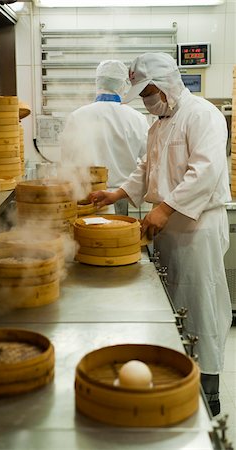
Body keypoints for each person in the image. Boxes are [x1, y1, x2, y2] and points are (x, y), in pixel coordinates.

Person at [89, 52, 232, 416]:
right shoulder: (158, 124)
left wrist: (166, 208)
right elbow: (146, 168)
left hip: (197, 226)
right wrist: (117, 193)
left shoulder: (202, 115)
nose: (145, 100)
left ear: (167, 82)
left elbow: (206, 171)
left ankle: (208, 390)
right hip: (168, 227)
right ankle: (180, 370)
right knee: (178, 306)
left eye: (148, 91)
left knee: (201, 304)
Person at [59, 59, 149, 215]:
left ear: (97, 83)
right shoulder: (137, 119)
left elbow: (67, 162)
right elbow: (151, 159)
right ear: (123, 85)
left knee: (86, 236)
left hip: (86, 196)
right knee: (116, 236)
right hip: (120, 196)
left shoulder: (77, 117)